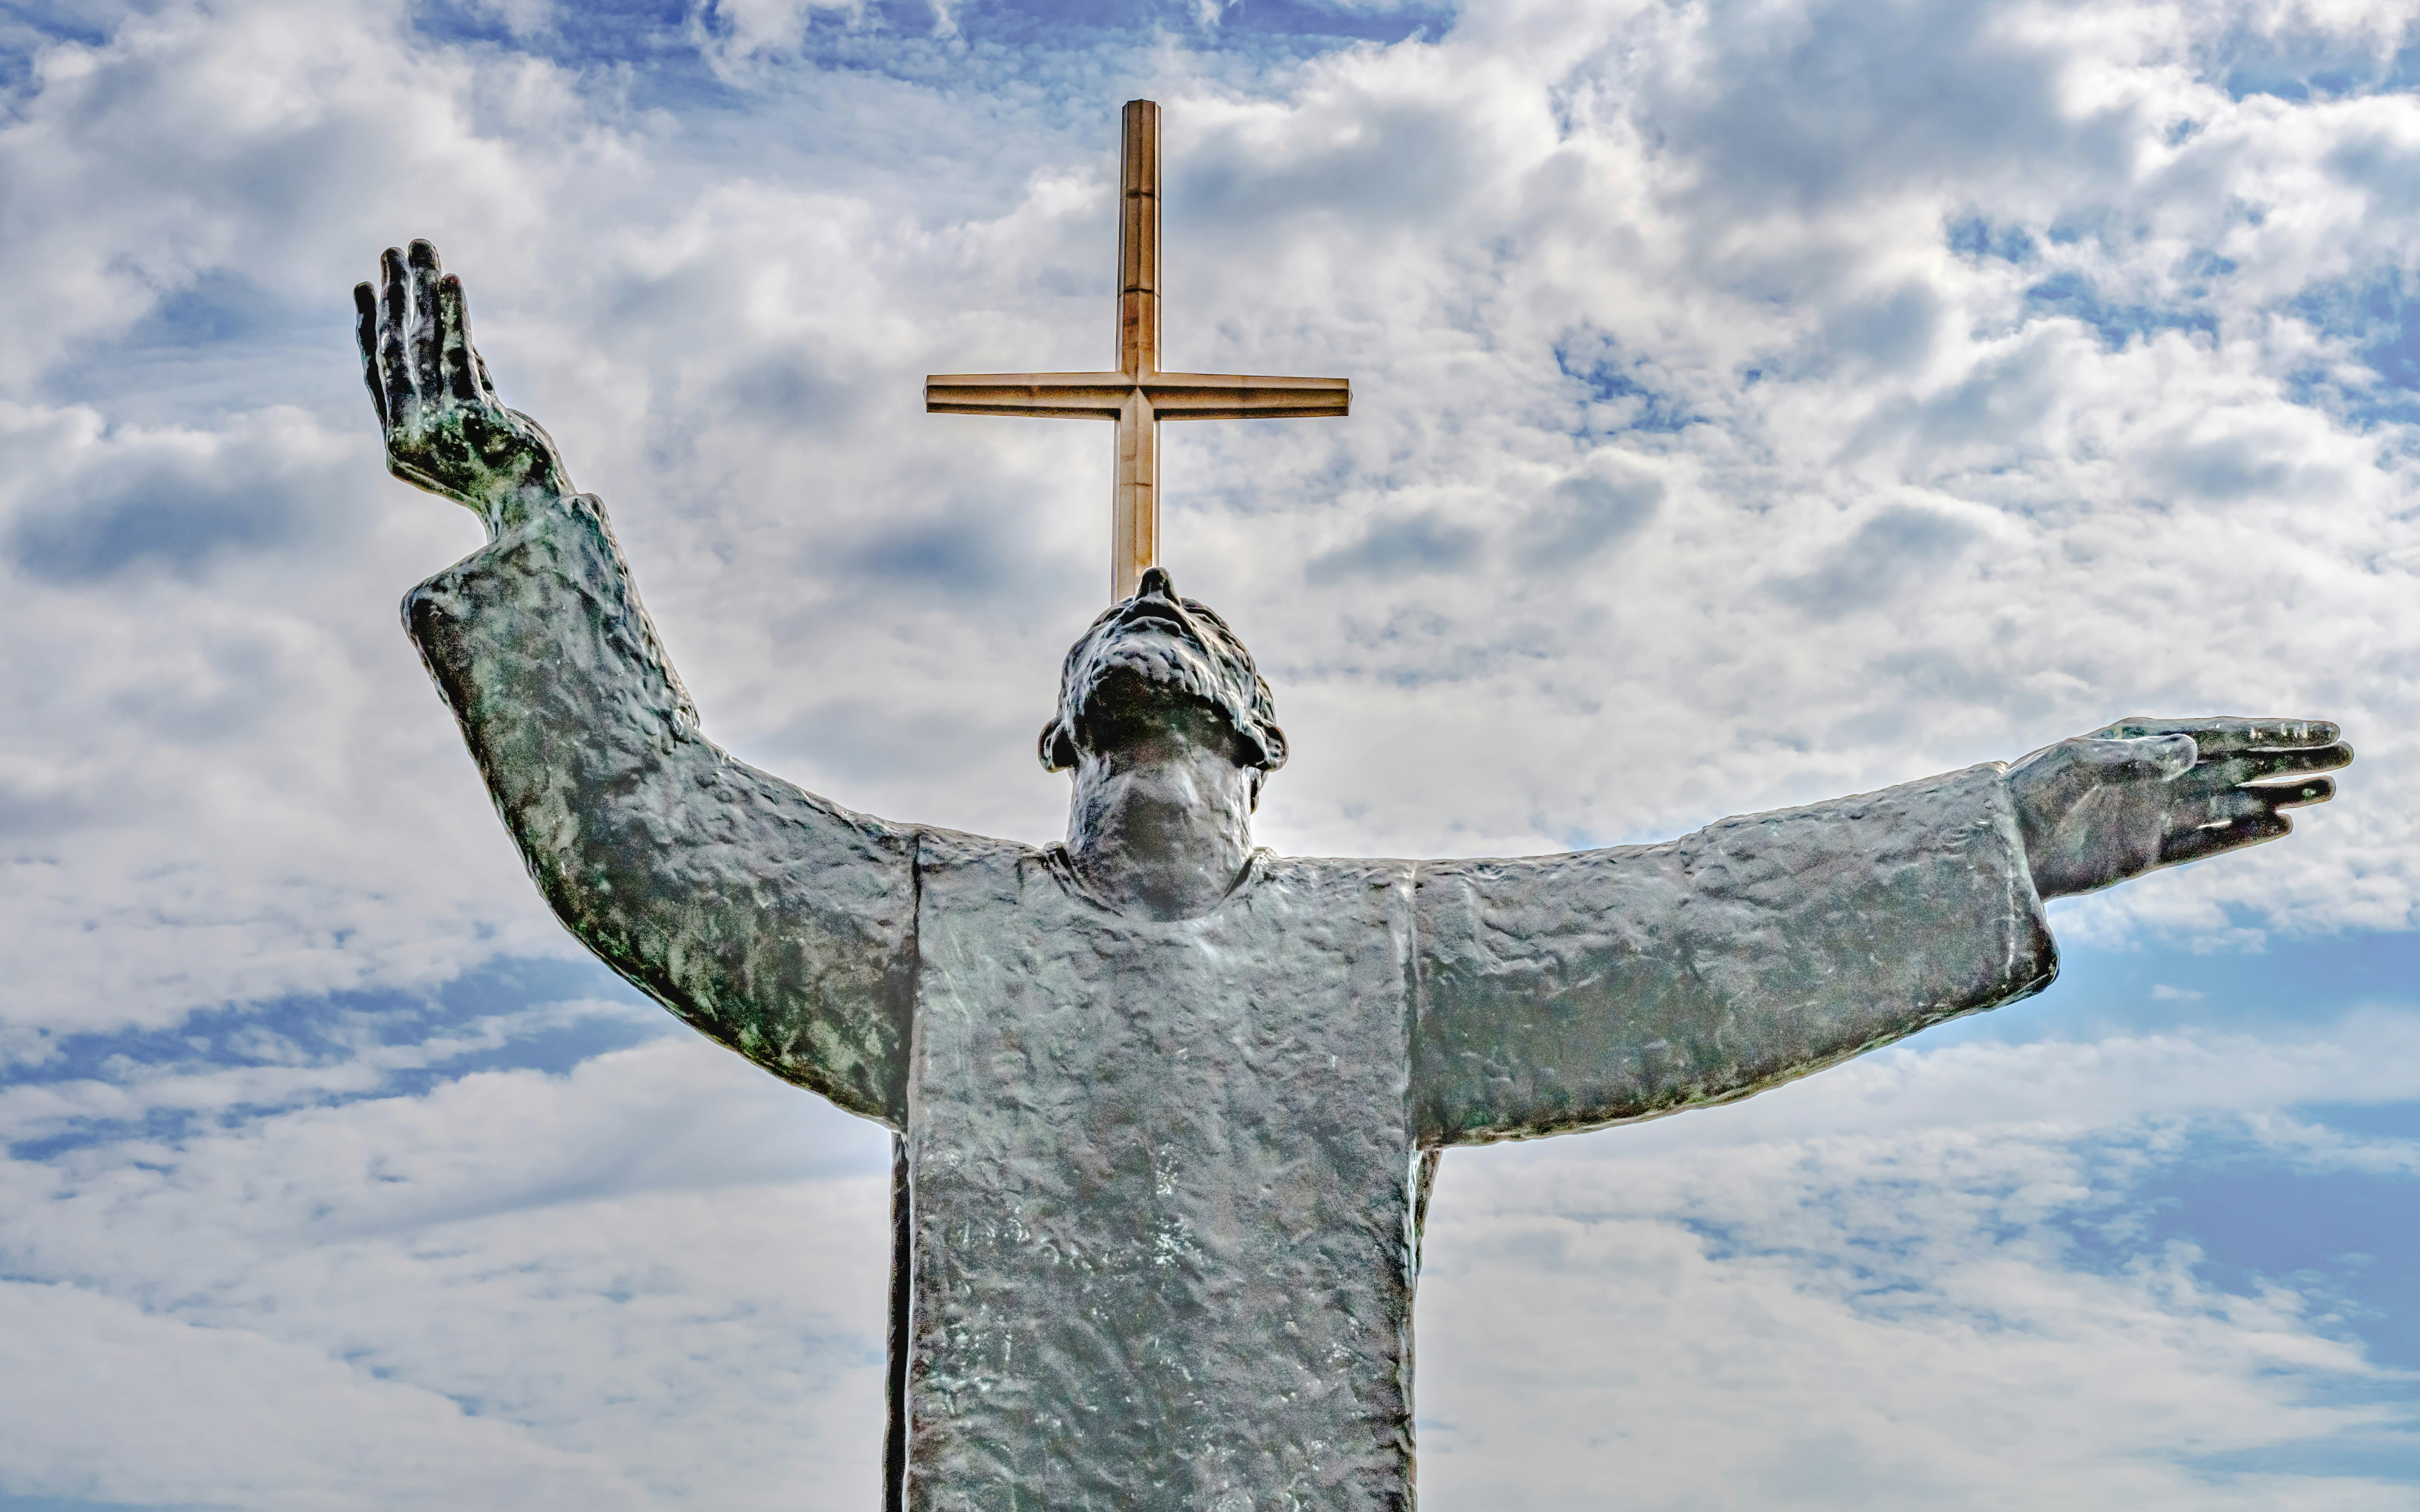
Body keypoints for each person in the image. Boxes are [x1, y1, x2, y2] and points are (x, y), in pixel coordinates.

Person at [360, 240, 2352, 1512]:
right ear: (1063, 745)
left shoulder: (1386, 960)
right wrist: (530, 526)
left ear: (1260, 740)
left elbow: (1710, 930)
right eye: (1120, 640)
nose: (1145, 602)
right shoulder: (932, 933)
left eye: (1189, 628)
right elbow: (647, 827)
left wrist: (2006, 830)